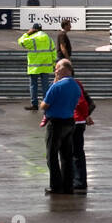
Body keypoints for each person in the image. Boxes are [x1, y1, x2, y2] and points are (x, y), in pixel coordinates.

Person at [40, 59, 82, 195]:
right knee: (66, 155)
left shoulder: (56, 86)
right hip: (70, 121)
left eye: (57, 68)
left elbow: (44, 105)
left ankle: (56, 185)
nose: (55, 71)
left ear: (64, 70)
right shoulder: (76, 86)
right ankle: (68, 185)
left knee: (52, 155)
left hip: (56, 122)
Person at [66, 62, 95, 194]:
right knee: (76, 152)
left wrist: (84, 116)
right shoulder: (78, 84)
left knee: (74, 152)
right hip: (78, 121)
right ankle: (77, 180)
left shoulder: (72, 85)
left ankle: (78, 181)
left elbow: (84, 103)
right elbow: (90, 103)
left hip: (74, 122)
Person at [18, 22, 56, 111]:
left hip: (34, 67)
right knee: (45, 86)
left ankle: (34, 105)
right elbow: (53, 51)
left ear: (34, 30)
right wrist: (54, 64)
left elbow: (21, 42)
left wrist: (27, 33)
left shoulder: (32, 38)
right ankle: (46, 104)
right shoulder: (48, 38)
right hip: (46, 66)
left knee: (33, 85)